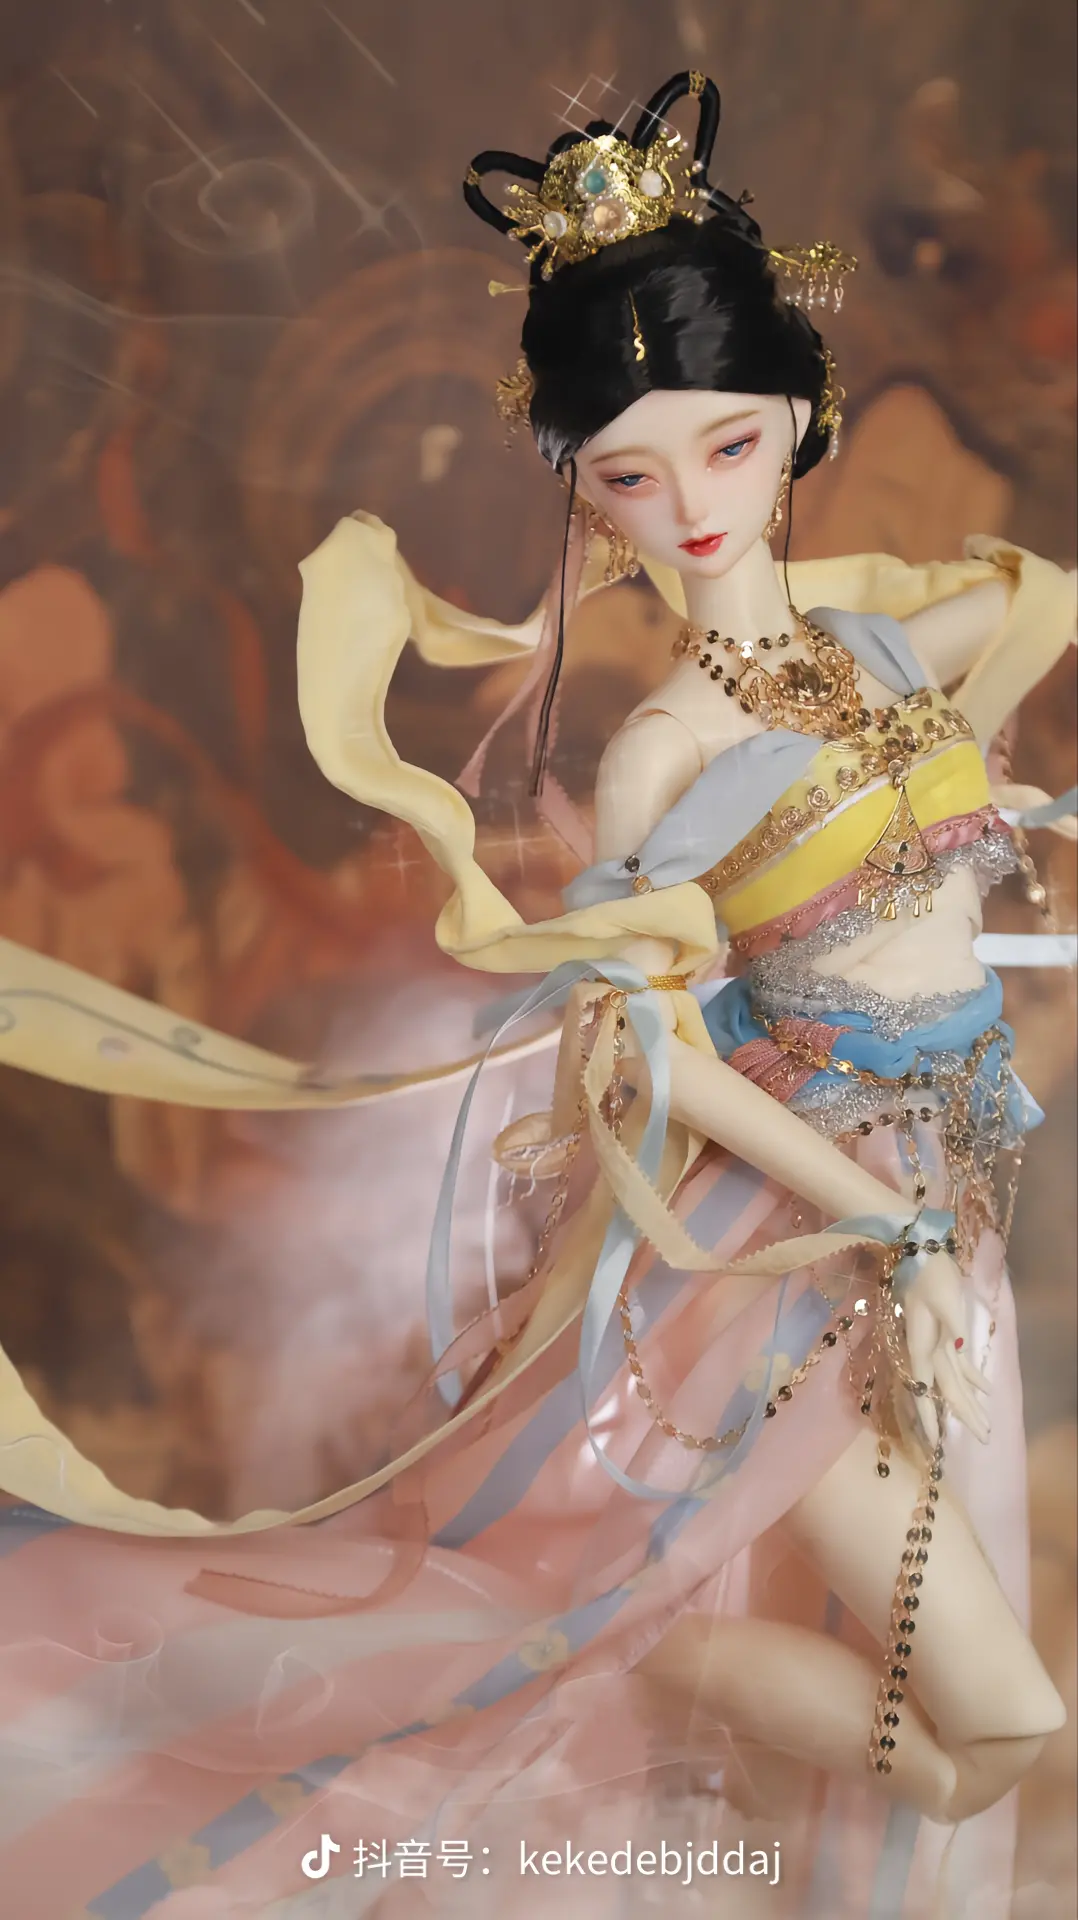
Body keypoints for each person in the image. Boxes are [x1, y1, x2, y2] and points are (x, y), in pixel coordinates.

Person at [0, 68, 1074, 1920]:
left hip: (932, 1213)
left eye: (725, 445)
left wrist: (927, 1218)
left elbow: (1030, 610)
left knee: (974, 1721)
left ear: (797, 419)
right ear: (586, 495)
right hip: (775, 1268)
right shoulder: (661, 753)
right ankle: (604, 1643)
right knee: (998, 1720)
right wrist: (882, 1227)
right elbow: (640, 1059)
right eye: (631, 474)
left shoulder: (909, 642)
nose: (690, 505)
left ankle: (623, 1654)